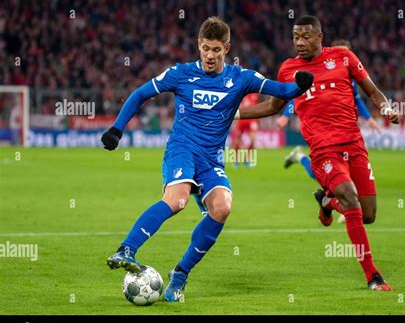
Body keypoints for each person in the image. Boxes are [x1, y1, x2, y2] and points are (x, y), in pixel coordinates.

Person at [100, 16, 314, 302]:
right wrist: (117, 129)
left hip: (212, 158)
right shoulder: (180, 73)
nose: (209, 55)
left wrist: (299, 86)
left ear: (227, 47)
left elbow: (281, 91)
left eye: (215, 49)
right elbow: (140, 94)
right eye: (204, 48)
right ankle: (127, 249)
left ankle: (181, 274)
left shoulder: (241, 77)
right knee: (178, 200)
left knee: (223, 208)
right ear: (198, 46)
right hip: (182, 149)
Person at [238, 15, 399, 291]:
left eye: (305, 37)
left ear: (319, 37)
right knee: (350, 199)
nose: (299, 42)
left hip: (354, 145)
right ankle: (373, 276)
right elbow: (273, 107)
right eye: (296, 37)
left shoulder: (343, 57)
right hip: (324, 151)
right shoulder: (288, 70)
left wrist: (385, 108)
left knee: (368, 214)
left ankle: (327, 203)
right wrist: (234, 113)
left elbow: (373, 92)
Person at [231, 93, 260, 168]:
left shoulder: (255, 93)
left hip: (251, 120)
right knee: (237, 141)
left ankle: (246, 159)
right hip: (241, 119)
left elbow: (256, 106)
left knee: (253, 140)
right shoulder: (242, 90)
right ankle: (236, 160)